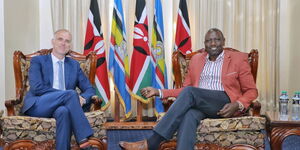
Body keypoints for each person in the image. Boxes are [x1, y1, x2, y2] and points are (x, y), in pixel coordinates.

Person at [119, 28, 258, 150]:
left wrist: (237, 105)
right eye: (209, 41)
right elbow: (185, 90)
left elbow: (252, 90)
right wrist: (160, 92)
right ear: (205, 44)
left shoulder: (238, 59)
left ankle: (152, 142)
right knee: (189, 115)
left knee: (191, 93)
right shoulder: (197, 60)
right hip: (201, 103)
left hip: (225, 103)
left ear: (224, 41)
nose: (213, 43)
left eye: (217, 40)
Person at [22, 29, 96, 150]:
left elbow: (89, 89)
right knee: (71, 94)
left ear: (69, 45)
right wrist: (69, 96)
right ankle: (84, 141)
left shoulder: (74, 65)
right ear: (53, 42)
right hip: (39, 104)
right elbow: (37, 88)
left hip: (64, 107)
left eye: (67, 41)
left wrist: (82, 98)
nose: (63, 43)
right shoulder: (38, 61)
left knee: (64, 112)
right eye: (60, 39)